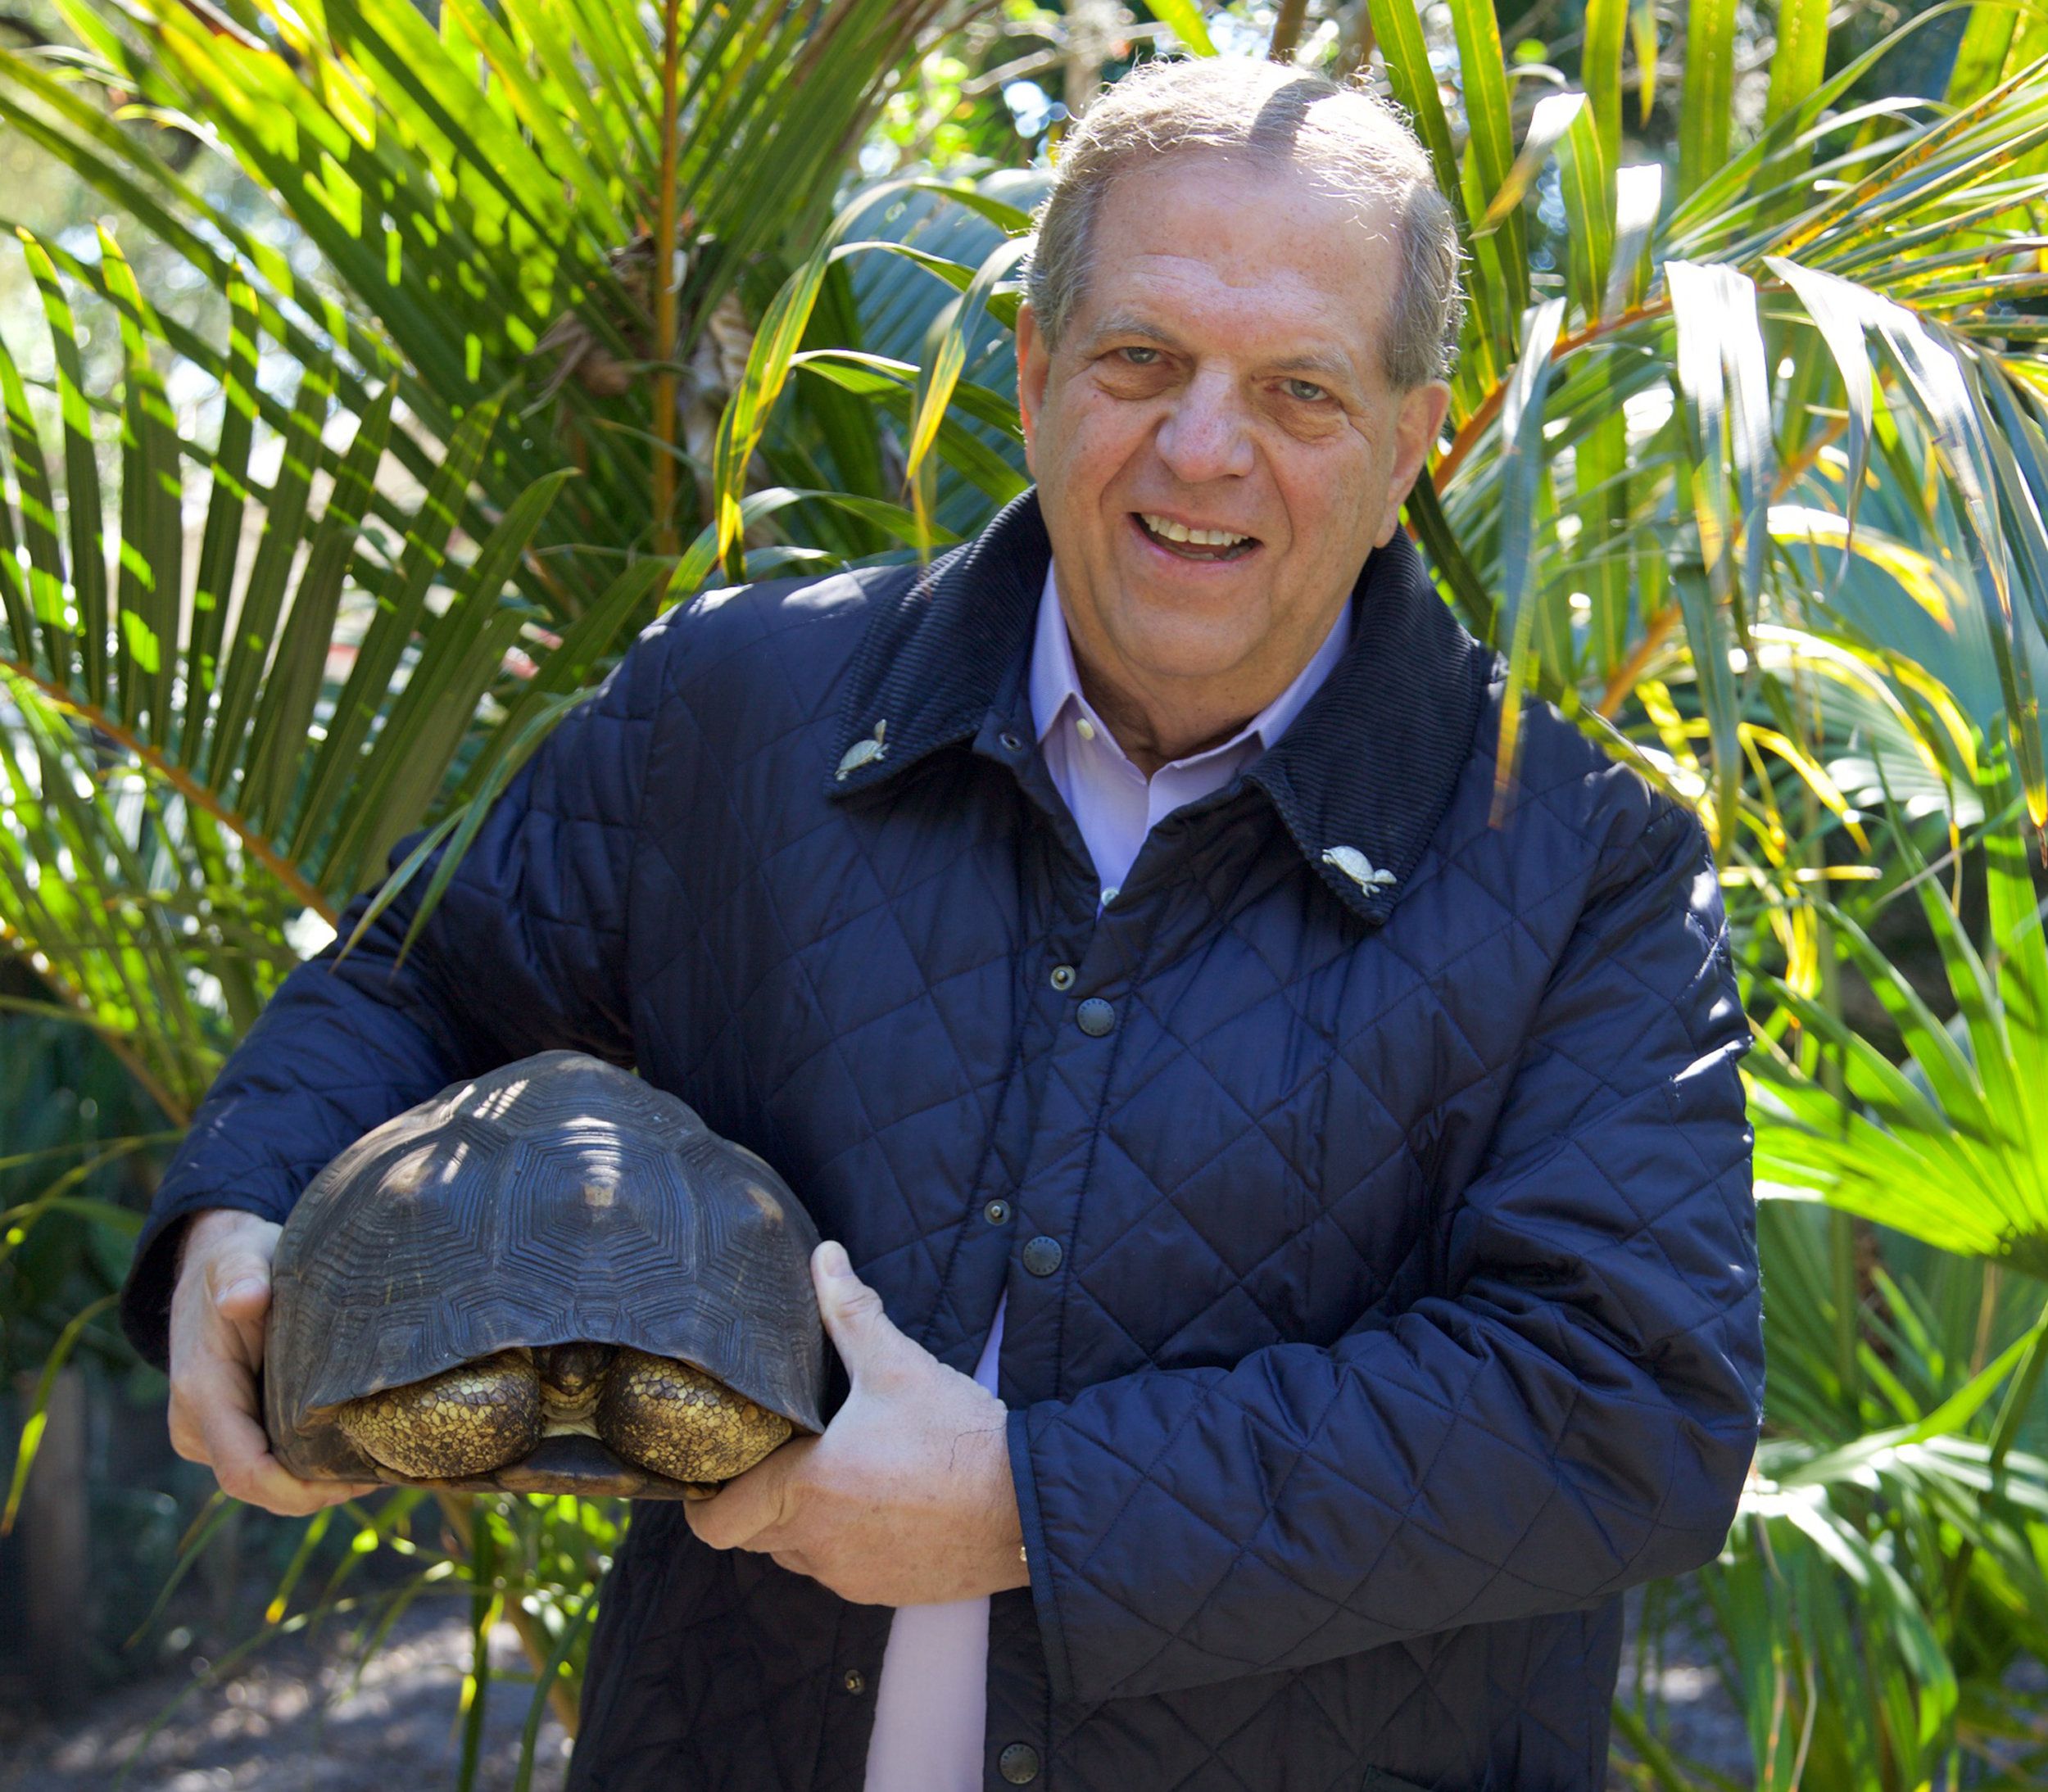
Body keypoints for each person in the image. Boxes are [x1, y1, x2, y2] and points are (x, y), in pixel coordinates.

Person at [123, 54, 1763, 1792]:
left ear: (1407, 438)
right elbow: (414, 980)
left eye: (1297, 390)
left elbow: (1617, 1402)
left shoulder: (1585, 862)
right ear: (1039, 371)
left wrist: (1023, 1506)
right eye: (1138, 359)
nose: (1200, 447)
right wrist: (240, 1216)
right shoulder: (742, 705)